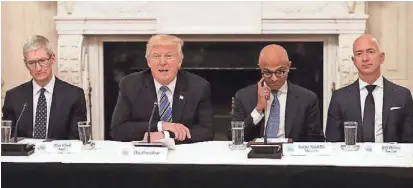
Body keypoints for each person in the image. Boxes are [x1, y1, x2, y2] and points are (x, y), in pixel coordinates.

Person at [111, 34, 213, 144]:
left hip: (182, 153)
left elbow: (207, 131)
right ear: (148, 61)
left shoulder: (198, 86)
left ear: (179, 61)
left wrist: (166, 135)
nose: (162, 62)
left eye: (169, 56)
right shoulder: (130, 85)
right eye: (156, 56)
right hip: (144, 153)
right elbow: (118, 130)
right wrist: (161, 125)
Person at [326, 34, 413, 143]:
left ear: (382, 57)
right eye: (359, 53)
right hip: (352, 158)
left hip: (391, 158)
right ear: (354, 61)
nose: (365, 58)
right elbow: (332, 142)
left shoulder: (402, 95)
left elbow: (409, 141)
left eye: (370, 52)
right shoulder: (339, 97)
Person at [232, 44, 325, 142]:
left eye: (280, 72)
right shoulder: (243, 97)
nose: (274, 78)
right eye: (267, 72)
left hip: (292, 154)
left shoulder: (307, 99)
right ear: (260, 68)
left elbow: (316, 141)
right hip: (256, 154)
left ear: (288, 67)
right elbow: (235, 138)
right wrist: (258, 109)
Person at [2, 35, 87, 140]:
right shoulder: (13, 97)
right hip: (25, 155)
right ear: (26, 64)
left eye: (42, 61)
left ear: (52, 58)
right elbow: (7, 139)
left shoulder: (74, 95)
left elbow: (76, 140)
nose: (38, 68)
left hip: (60, 155)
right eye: (31, 63)